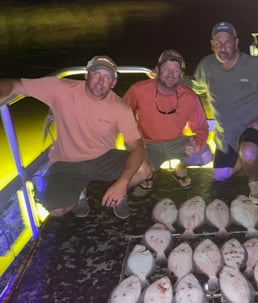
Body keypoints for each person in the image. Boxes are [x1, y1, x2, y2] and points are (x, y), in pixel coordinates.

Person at [0, 55, 151, 219]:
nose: (101, 81)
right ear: (87, 75)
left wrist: (122, 182)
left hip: (103, 157)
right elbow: (15, 84)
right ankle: (78, 193)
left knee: (144, 170)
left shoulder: (120, 108)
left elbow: (137, 147)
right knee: (56, 210)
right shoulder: (60, 89)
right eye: (96, 74)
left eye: (107, 77)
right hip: (67, 161)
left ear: (113, 83)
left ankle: (120, 194)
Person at [192, 21, 258, 204]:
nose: (222, 47)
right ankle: (246, 161)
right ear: (212, 45)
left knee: (248, 151)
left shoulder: (254, 67)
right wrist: (166, 78)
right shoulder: (206, 66)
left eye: (227, 42)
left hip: (251, 125)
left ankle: (253, 180)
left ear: (236, 42)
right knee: (220, 177)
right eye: (217, 43)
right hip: (226, 133)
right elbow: (194, 87)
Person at [123, 49, 212, 193]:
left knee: (205, 155)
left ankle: (181, 169)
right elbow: (123, 114)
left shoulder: (190, 97)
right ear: (157, 71)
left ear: (181, 75)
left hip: (177, 142)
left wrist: (197, 143)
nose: (171, 74)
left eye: (176, 70)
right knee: (138, 169)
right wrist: (135, 138)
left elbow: (201, 126)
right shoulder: (138, 90)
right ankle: (148, 173)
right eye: (166, 69)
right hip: (148, 143)